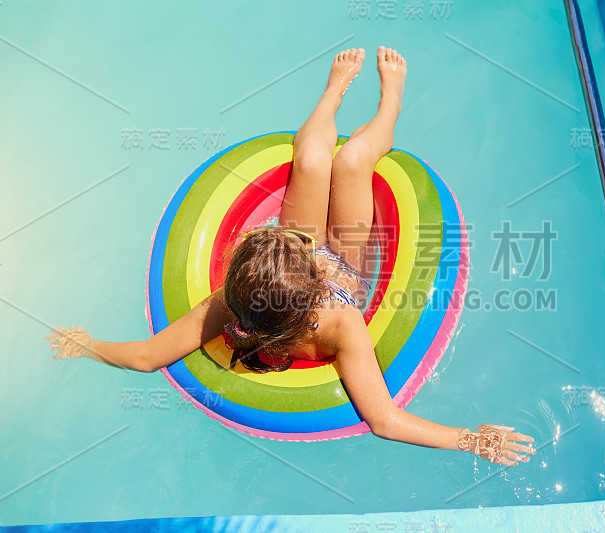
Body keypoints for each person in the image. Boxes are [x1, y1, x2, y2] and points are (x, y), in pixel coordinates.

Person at [46, 47, 536, 467]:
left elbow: (148, 356)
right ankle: (389, 106)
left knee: (312, 161)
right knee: (352, 161)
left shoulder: (233, 302)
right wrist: (471, 440)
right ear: (311, 280)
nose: (295, 236)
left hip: (304, 274)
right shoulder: (341, 323)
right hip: (345, 263)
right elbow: (384, 420)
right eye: (288, 240)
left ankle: (338, 92)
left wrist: (87, 344)